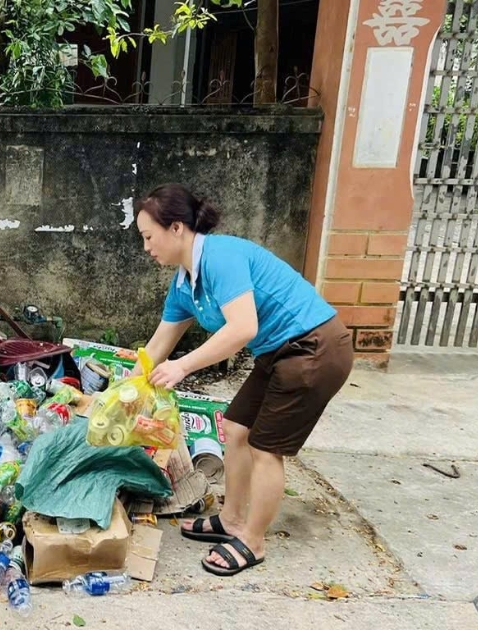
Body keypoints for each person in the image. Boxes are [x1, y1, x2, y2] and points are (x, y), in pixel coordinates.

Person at [135, 183, 353, 576]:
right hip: (279, 352)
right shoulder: (185, 283)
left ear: (177, 228)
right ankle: (232, 520)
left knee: (265, 447)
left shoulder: (221, 256)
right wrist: (122, 391)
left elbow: (242, 328)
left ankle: (253, 540)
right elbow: (156, 347)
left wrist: (183, 367)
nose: (147, 247)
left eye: (149, 236)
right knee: (235, 427)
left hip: (315, 347)